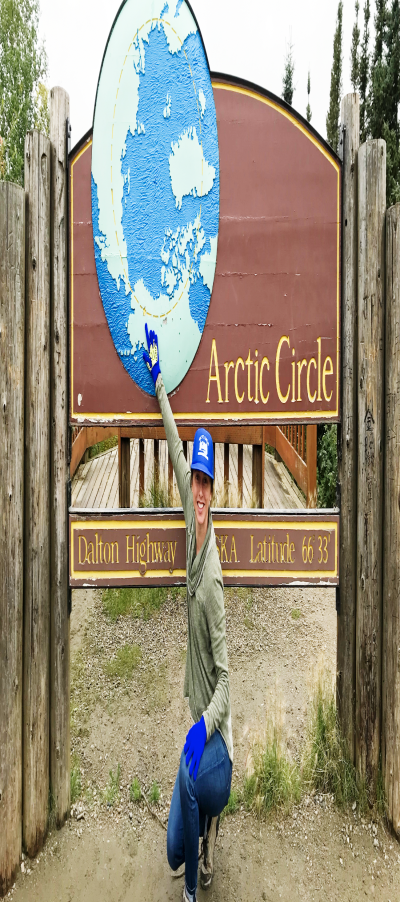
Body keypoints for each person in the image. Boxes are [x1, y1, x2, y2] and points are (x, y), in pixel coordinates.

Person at [143, 325, 233, 902]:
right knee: (190, 779)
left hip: (214, 701)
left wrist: (208, 723)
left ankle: (205, 841)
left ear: (213, 492)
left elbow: (229, 674)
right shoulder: (186, 515)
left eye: (204, 484)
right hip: (192, 684)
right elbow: (174, 446)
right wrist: (157, 382)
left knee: (198, 769)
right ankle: (197, 838)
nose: (197, 491)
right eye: (195, 480)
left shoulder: (216, 580)